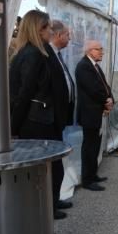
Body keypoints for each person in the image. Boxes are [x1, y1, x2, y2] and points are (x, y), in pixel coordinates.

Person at [9, 10, 73, 234]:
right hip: (38, 127)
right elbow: (22, 95)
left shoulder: (33, 53)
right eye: (48, 28)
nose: (51, 32)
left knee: (49, 178)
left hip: (41, 124)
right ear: (39, 29)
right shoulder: (33, 55)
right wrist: (13, 129)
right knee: (47, 180)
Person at [45, 20, 75, 219]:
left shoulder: (57, 55)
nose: (69, 38)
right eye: (67, 35)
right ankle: (50, 206)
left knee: (57, 165)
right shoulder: (46, 55)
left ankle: (54, 201)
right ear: (57, 35)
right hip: (48, 119)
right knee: (52, 166)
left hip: (58, 118)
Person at [75, 40, 113, 191]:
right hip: (89, 113)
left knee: (95, 145)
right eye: (99, 49)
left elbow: (104, 86)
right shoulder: (84, 66)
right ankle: (87, 180)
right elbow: (93, 89)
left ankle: (93, 174)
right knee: (89, 147)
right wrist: (106, 101)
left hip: (98, 111)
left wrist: (110, 98)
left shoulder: (94, 66)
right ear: (90, 51)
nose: (102, 52)